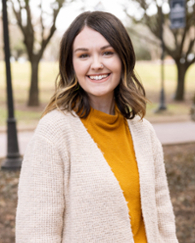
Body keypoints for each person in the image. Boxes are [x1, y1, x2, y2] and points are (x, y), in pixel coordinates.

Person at [16, 11, 178, 243]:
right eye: (83, 55)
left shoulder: (144, 131)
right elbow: (36, 233)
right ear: (71, 64)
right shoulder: (53, 134)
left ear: (123, 58)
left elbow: (163, 215)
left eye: (107, 52)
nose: (96, 64)